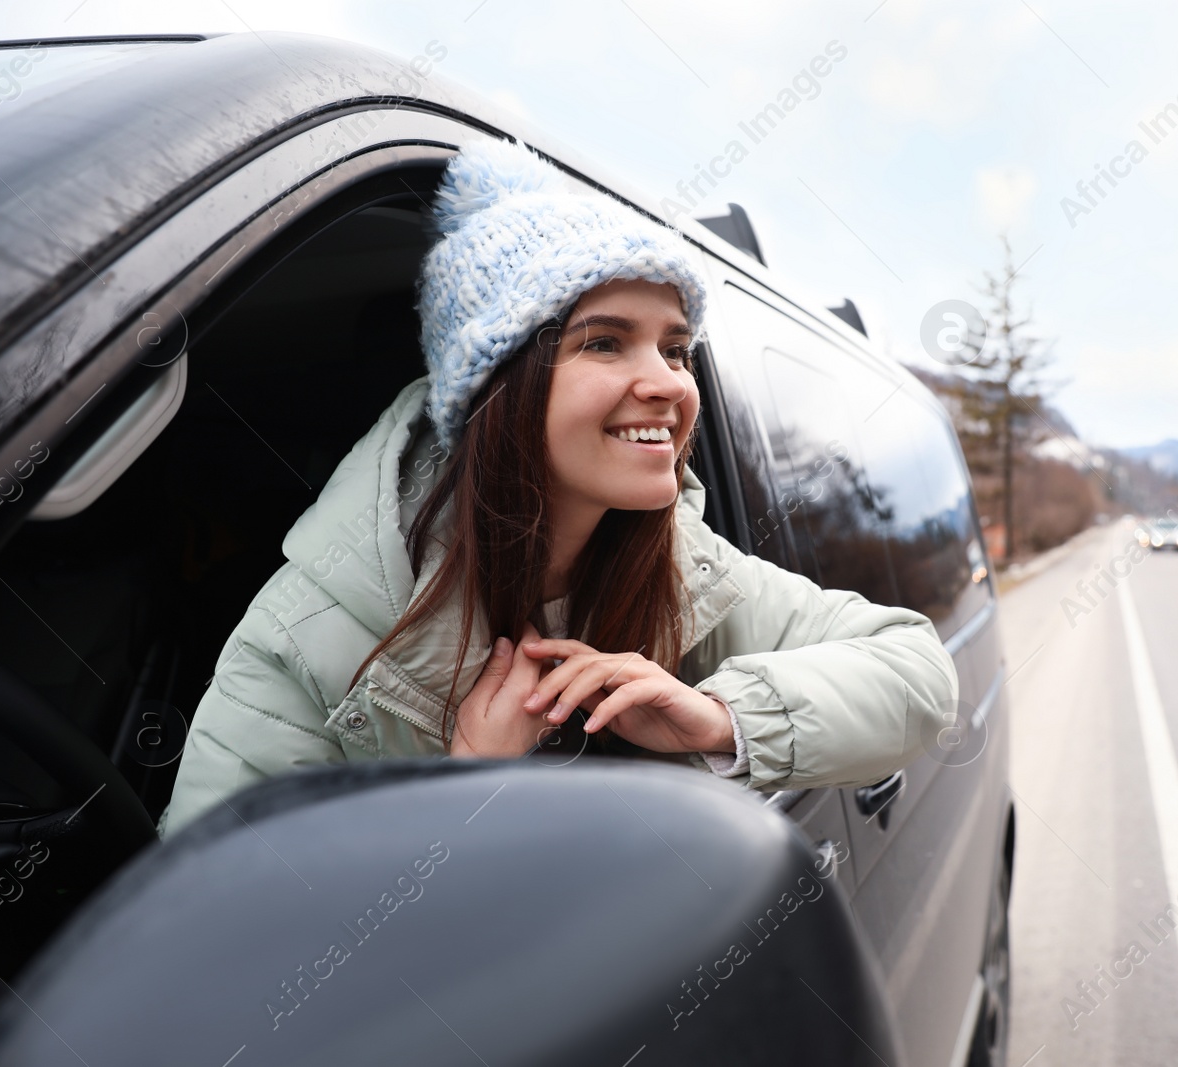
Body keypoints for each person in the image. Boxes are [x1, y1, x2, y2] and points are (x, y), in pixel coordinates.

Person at [157, 138, 958, 838]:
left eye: (676, 350)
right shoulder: (308, 640)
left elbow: (918, 671)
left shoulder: (686, 570)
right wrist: (458, 798)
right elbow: (215, 963)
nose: (668, 384)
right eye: (605, 342)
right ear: (498, 386)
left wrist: (718, 718)